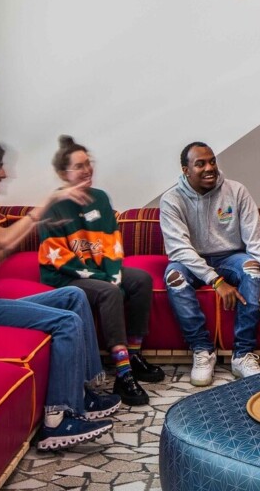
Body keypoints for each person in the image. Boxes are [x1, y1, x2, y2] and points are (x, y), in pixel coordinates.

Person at [0, 140, 122, 451]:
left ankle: (84, 393)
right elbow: (3, 239)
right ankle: (58, 418)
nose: (4, 173)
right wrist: (48, 203)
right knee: (66, 322)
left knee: (73, 296)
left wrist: (32, 229)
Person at [38, 136, 165, 406]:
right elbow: (57, 257)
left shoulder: (100, 198)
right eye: (79, 167)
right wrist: (104, 279)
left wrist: (115, 273)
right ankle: (123, 372)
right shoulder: (53, 207)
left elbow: (111, 242)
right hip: (66, 276)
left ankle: (134, 354)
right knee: (109, 292)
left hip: (100, 270)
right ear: (63, 173)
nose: (87, 171)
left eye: (89, 164)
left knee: (140, 279)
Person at [159, 142, 260, 385]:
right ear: (186, 170)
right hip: (190, 261)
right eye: (200, 164)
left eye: (212, 161)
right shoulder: (171, 199)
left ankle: (242, 355)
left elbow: (255, 237)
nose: (209, 168)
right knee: (174, 278)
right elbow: (179, 248)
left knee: (253, 271)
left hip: (230, 257)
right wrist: (216, 281)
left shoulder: (236, 191)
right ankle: (203, 350)